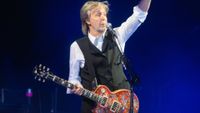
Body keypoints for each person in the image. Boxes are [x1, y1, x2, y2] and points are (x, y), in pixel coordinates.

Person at [67, 0, 151, 113]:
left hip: (122, 107)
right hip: (94, 108)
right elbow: (73, 79)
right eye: (98, 14)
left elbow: (139, 15)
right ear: (87, 20)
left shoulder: (117, 36)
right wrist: (76, 86)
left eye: (104, 14)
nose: (103, 18)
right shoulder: (77, 46)